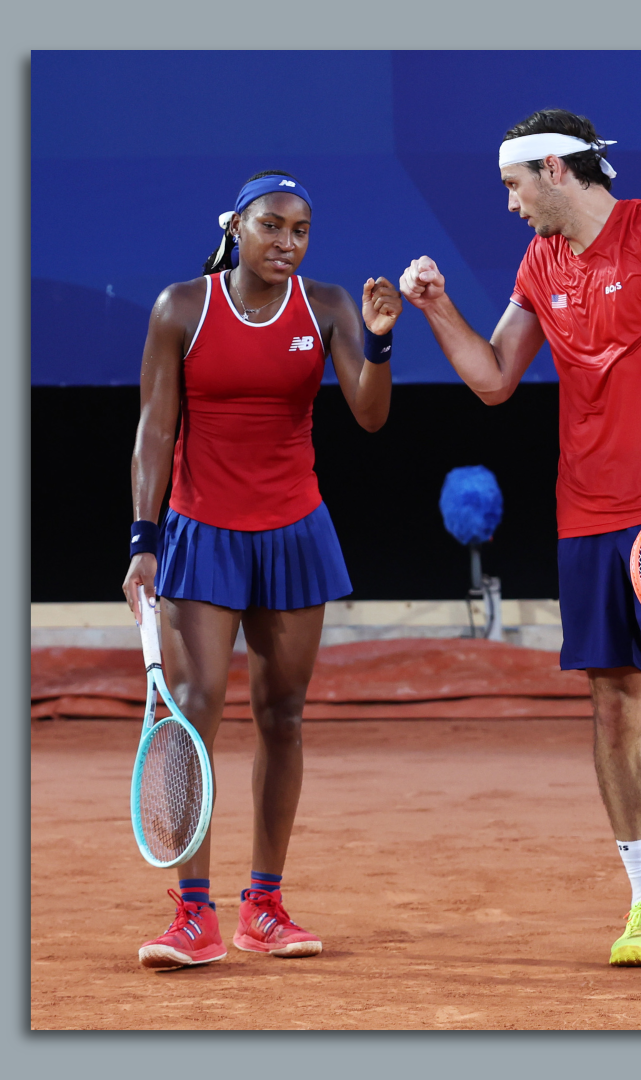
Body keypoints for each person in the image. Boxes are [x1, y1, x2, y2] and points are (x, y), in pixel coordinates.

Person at [397, 110, 641, 981]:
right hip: (585, 514)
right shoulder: (539, 262)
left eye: (514, 186)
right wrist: (436, 309)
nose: (510, 205)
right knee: (613, 708)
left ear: (554, 170)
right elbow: (494, 379)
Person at [123, 171, 399, 970]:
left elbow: (370, 414)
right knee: (194, 708)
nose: (287, 241)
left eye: (301, 230)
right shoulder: (181, 308)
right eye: (271, 225)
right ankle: (193, 914)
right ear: (236, 229)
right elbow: (155, 430)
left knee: (282, 715)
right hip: (202, 531)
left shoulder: (329, 307)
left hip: (293, 532)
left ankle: (264, 906)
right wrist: (143, 539)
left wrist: (379, 340)